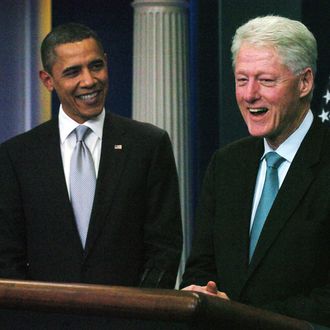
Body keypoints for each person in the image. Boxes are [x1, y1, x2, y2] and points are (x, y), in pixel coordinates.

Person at [0, 23, 182, 289]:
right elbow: (7, 256)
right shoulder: (17, 156)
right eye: (73, 72)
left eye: (95, 66)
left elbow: (164, 249)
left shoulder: (149, 145)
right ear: (48, 80)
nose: (89, 80)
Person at [181, 15, 330, 327]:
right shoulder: (226, 165)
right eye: (241, 80)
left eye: (265, 80)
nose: (249, 95)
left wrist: (238, 314)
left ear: (305, 82)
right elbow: (201, 267)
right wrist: (201, 293)